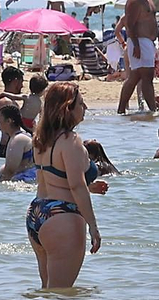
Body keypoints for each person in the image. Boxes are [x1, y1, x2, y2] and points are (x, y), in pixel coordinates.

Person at [26, 83, 105, 288]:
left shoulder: (40, 140)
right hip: (63, 217)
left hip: (38, 212)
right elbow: (76, 187)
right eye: (80, 103)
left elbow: (55, 179)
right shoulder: (71, 141)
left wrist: (90, 189)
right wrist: (94, 228)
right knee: (61, 296)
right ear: (67, 108)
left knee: (47, 294)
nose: (85, 106)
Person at [117, 0, 159, 114]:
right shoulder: (134, 1)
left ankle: (121, 109)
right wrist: (135, 45)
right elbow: (130, 24)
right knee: (146, 77)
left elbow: (153, 20)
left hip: (148, 42)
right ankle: (153, 110)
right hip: (139, 41)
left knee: (135, 77)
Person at [0, 104, 36, 181]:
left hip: (25, 181)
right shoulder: (22, 136)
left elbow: (9, 171)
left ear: (9, 121)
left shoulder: (18, 139)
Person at [0, 67, 28, 157]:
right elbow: (16, 125)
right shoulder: (6, 102)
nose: (22, 86)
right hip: (7, 147)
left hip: (8, 146)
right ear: (15, 81)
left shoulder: (7, 100)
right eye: (21, 82)